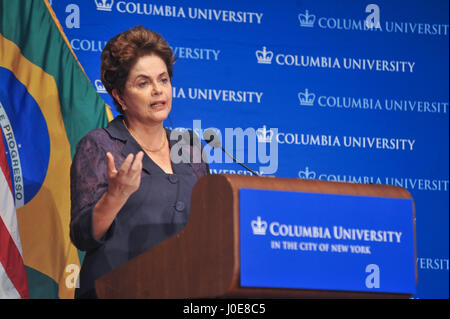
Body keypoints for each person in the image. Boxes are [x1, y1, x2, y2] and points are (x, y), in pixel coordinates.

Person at [70, 25, 209, 299]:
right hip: (116, 290)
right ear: (120, 97)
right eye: (143, 83)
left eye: (163, 79)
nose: (158, 90)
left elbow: (207, 226)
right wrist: (116, 195)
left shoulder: (189, 147)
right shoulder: (101, 145)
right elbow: (83, 236)